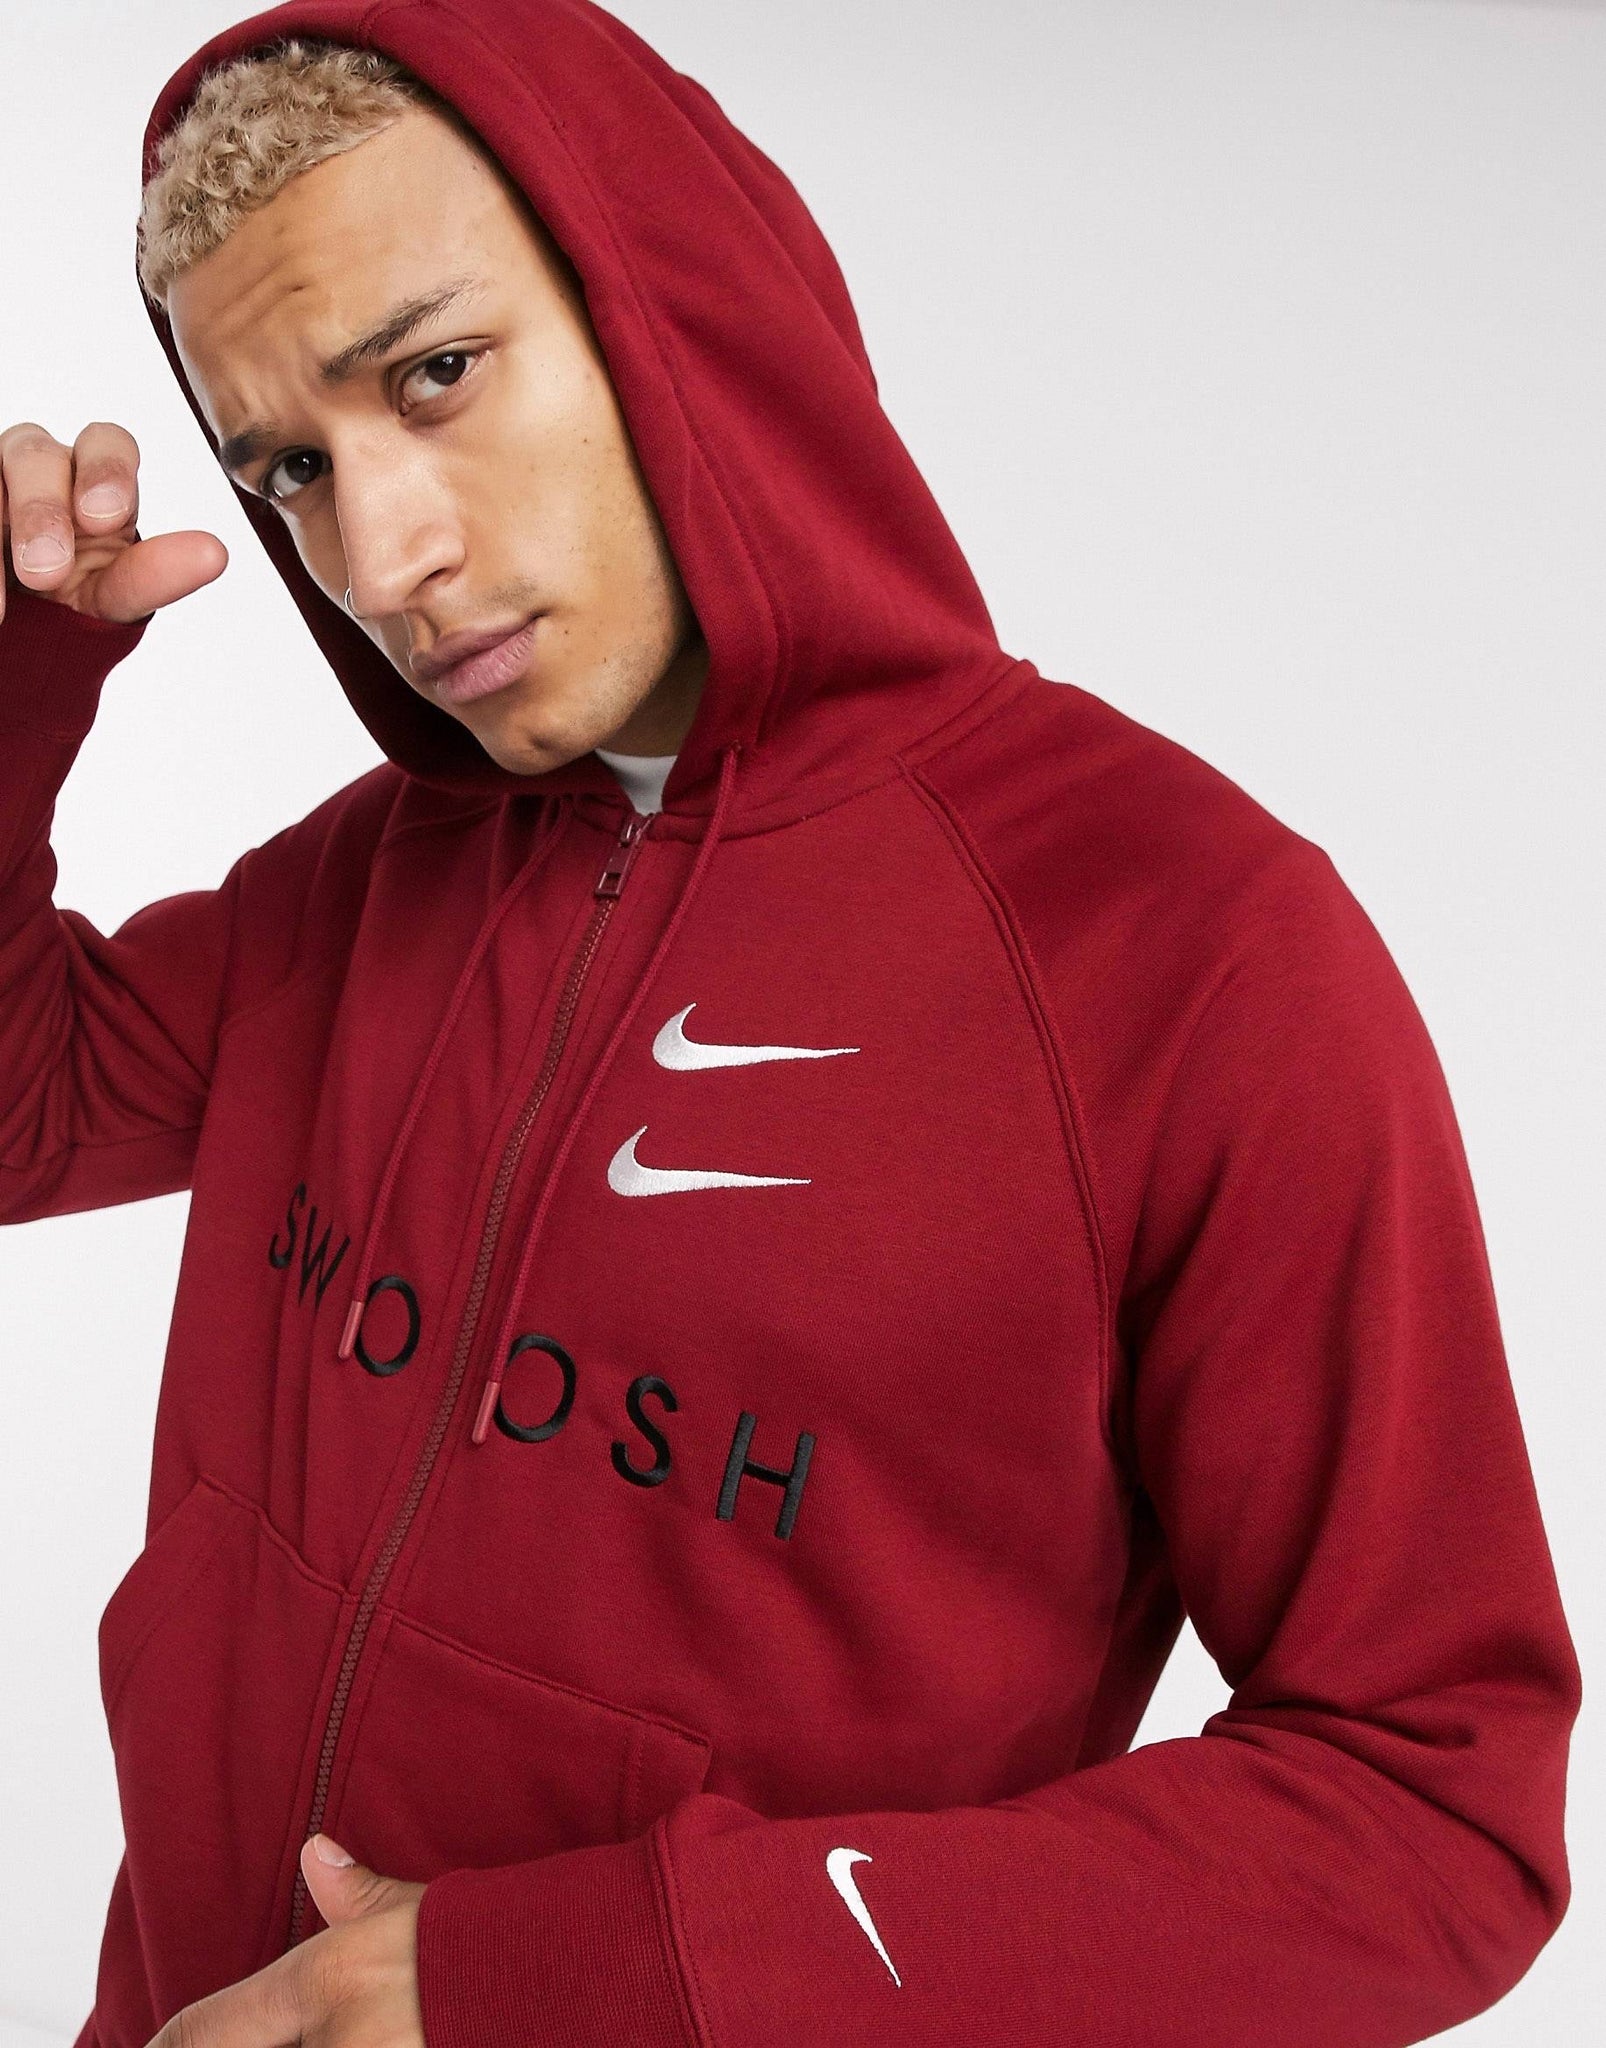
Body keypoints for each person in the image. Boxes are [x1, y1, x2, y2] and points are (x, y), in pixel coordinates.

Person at [0, 4, 1580, 2045]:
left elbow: (1427, 1810)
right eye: (292, 466)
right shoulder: (363, 878)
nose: (382, 557)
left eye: (437, 373)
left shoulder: (1182, 950)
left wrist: (591, 1975)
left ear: (668, 308)